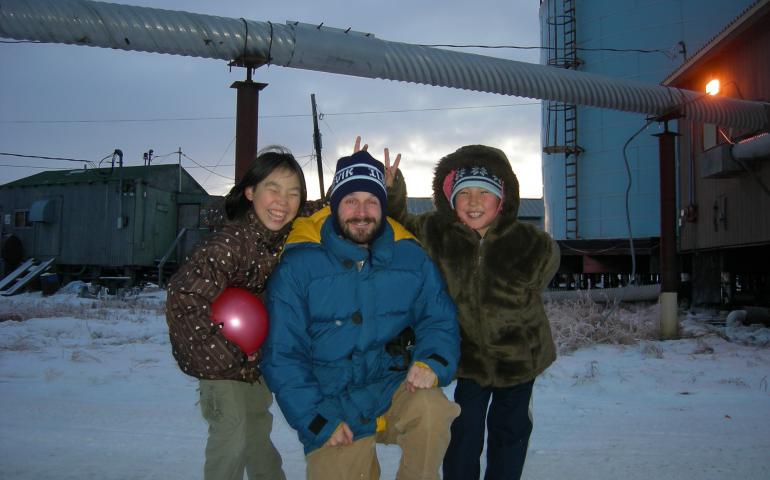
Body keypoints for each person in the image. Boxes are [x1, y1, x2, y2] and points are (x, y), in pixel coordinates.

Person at [260, 149, 461, 480]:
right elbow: (283, 355)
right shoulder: (298, 265)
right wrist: (317, 419)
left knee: (433, 409)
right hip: (331, 400)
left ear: (383, 206)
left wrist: (432, 361)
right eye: (351, 200)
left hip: (392, 387)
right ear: (334, 204)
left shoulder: (410, 256)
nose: (362, 212)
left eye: (372, 201)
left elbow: (438, 318)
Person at [380, 140, 560, 480]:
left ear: (503, 199)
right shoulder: (437, 233)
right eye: (464, 193)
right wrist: (392, 191)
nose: (474, 202)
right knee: (464, 430)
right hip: (470, 358)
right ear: (450, 199)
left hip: (519, 357)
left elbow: (547, 263)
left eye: (484, 192)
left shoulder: (527, 241)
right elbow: (398, 223)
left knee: (512, 431)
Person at [165, 146, 323, 480]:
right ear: (250, 192)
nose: (283, 202)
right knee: (232, 435)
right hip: (220, 359)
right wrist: (227, 356)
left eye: (293, 193)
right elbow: (184, 299)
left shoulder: (281, 236)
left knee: (256, 434)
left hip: (252, 357)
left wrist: (355, 177)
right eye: (273, 189)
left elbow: (320, 209)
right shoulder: (231, 243)